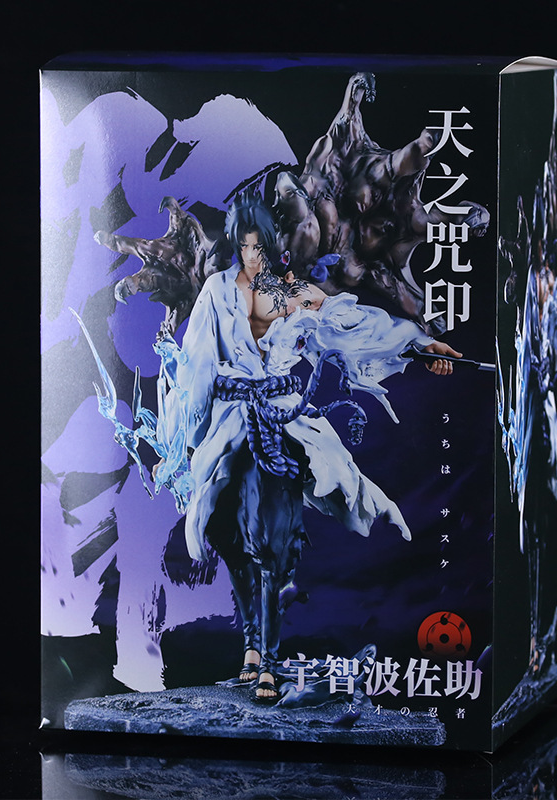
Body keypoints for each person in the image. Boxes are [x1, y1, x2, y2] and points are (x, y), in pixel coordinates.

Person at [174, 191, 460, 701]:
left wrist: (419, 343)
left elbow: (357, 325)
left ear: (272, 245)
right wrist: (189, 434)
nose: (251, 256)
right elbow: (194, 364)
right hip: (230, 420)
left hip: (284, 418)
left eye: (259, 246)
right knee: (223, 529)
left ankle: (268, 659)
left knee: (273, 539)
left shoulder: (295, 293)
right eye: (243, 246)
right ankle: (251, 646)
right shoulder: (216, 292)